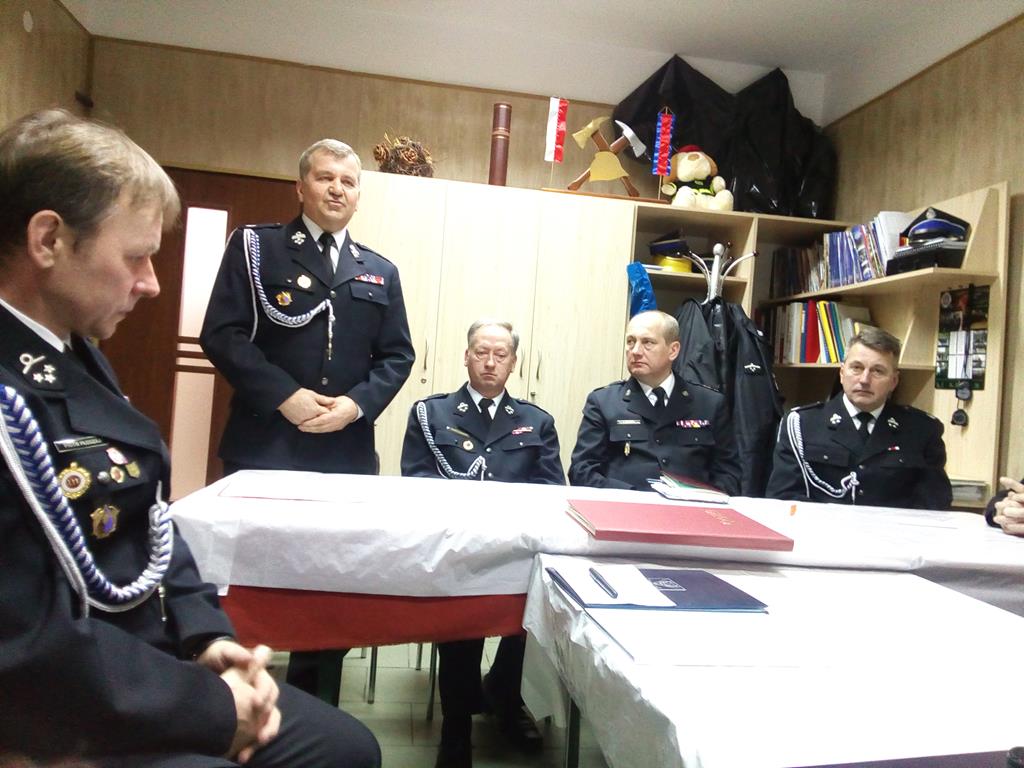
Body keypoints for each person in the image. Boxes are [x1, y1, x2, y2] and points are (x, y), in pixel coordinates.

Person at [0, 109, 380, 767]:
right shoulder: (15, 390)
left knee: (348, 747)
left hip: (142, 660)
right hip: (69, 706)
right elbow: (26, 641)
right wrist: (211, 706)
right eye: (136, 256)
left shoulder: (72, 354)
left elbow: (148, 522)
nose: (151, 282)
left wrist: (206, 636)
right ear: (48, 240)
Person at [200, 138, 415, 702]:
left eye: (348, 181)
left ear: (359, 194)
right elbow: (221, 333)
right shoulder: (257, 248)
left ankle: (316, 710)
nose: (337, 189)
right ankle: (235, 706)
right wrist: (284, 396)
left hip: (343, 454)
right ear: (300, 187)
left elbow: (397, 356)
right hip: (264, 444)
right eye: (325, 178)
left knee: (329, 589)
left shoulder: (380, 271)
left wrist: (355, 406)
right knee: (247, 584)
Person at [400, 320, 563, 768]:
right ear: (466, 356)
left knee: (540, 610)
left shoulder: (536, 421)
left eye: (500, 355)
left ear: (514, 363)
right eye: (481, 352)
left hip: (516, 550)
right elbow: (417, 481)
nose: (490, 362)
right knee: (461, 621)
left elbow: (552, 490)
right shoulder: (432, 414)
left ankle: (504, 697)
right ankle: (456, 729)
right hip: (456, 547)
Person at [765, 327, 952, 509]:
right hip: (822, 528)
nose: (864, 380)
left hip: (893, 530)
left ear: (894, 381)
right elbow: (784, 498)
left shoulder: (921, 430)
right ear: (841, 373)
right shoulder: (803, 424)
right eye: (856, 368)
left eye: (877, 371)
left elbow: (933, 504)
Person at [568, 310, 741, 494]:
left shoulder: (709, 403)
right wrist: (635, 497)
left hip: (691, 508)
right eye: (630, 341)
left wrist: (699, 498)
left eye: (647, 342)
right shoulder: (604, 402)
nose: (635, 351)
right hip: (626, 506)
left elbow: (729, 474)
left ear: (673, 350)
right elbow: (582, 470)